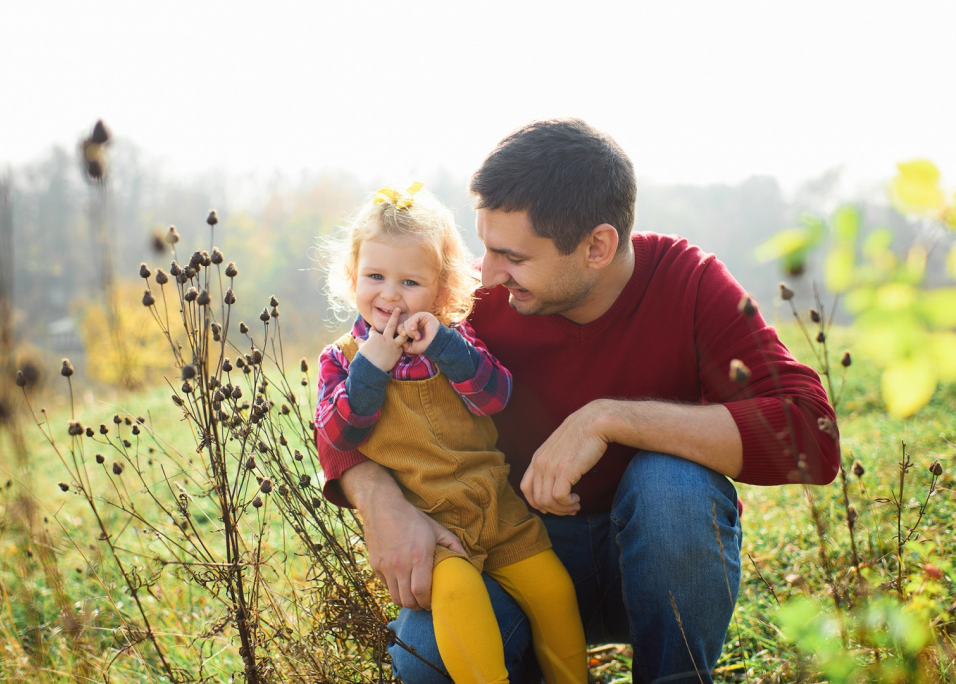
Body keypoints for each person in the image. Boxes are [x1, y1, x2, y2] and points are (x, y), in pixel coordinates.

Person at [318, 119, 841, 683]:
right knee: (424, 653)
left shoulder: (689, 285)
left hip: (655, 556)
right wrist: (380, 503)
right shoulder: (462, 304)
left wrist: (610, 419)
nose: (486, 273)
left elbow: (812, 434)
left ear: (597, 246)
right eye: (485, 247)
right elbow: (347, 408)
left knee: (674, 487)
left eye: (511, 256)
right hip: (513, 548)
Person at [314, 182, 588, 684]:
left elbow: (494, 396)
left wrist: (443, 345)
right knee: (460, 599)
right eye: (375, 276)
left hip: (497, 509)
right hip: (431, 527)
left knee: (553, 591)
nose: (390, 295)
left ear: (441, 289)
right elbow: (339, 435)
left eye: (410, 282)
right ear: (352, 276)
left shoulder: (455, 340)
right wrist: (372, 367)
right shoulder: (341, 360)